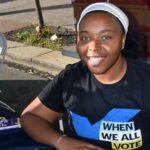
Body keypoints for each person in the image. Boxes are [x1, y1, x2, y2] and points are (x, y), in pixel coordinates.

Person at [21, 2, 150, 150]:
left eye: (106, 37)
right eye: (84, 38)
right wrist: (60, 141)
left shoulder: (145, 80)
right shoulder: (71, 78)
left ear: (122, 41)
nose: (93, 47)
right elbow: (31, 117)